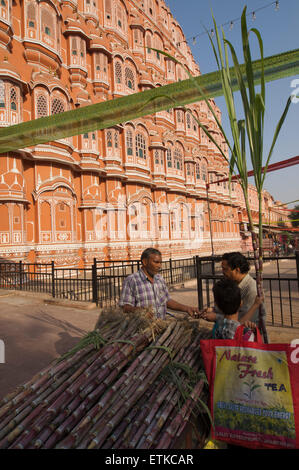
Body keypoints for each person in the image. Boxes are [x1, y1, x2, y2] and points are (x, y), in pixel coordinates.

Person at [119, 248, 200, 319]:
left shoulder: (159, 279)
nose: (159, 266)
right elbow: (124, 307)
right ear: (144, 262)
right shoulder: (132, 280)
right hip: (141, 329)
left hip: (160, 327)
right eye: (156, 262)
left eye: (160, 263)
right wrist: (140, 311)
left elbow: (166, 301)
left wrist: (186, 308)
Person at [220, 251, 266, 326]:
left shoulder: (252, 290)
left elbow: (242, 320)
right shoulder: (233, 284)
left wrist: (216, 317)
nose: (223, 272)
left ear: (237, 270)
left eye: (225, 269)